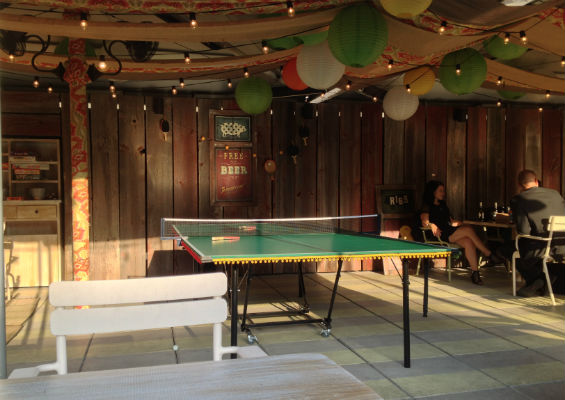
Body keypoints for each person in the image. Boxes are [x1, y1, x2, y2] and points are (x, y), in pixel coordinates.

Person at [420, 180, 503, 285]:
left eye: (443, 191)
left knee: (468, 241)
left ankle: (475, 273)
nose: (443, 193)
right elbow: (424, 222)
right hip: (439, 234)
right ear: (433, 192)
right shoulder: (427, 205)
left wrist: (462, 223)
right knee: (468, 230)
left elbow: (451, 221)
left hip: (449, 231)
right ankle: (488, 254)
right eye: (440, 191)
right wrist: (431, 224)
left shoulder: (443, 204)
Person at [510, 170, 565, 297]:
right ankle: (539, 283)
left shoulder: (519, 199)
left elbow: (524, 231)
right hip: (562, 244)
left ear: (519, 185)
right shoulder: (555, 194)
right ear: (536, 181)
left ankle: (538, 281)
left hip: (542, 247)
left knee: (510, 249)